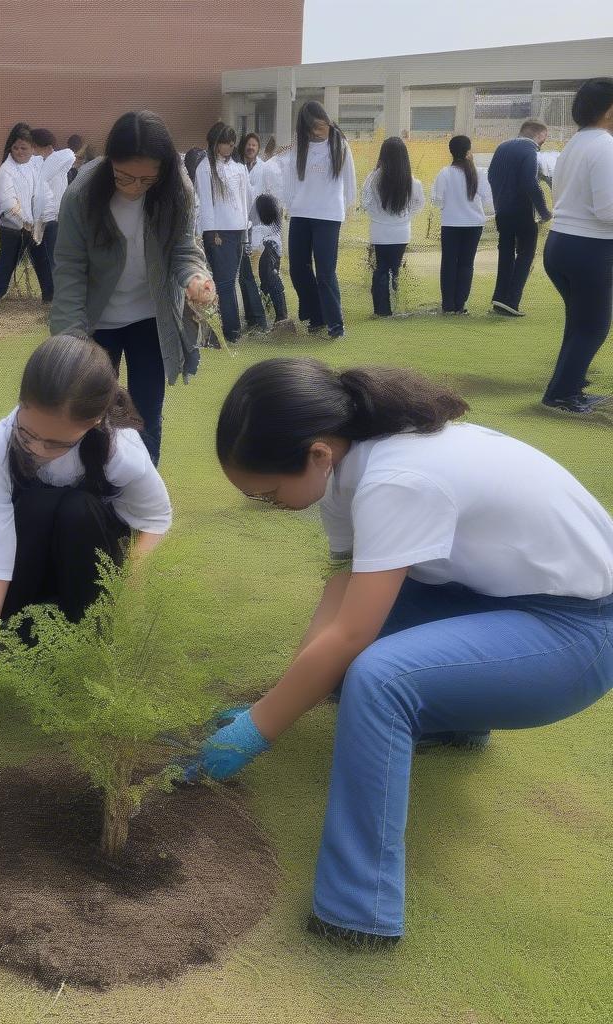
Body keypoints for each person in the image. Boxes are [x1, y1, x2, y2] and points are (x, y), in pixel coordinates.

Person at [181, 356, 613, 946]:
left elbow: (354, 636)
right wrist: (286, 695)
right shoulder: (344, 464)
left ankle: (359, 908)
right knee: (341, 660)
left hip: (579, 635)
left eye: (266, 494)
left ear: (314, 454)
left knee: (380, 677)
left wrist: (259, 729)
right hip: (500, 601)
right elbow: (342, 593)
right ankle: (455, 722)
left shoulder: (396, 479)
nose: (268, 506)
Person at [0, 335, 173, 743]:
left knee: (75, 508)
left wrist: (130, 590)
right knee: (34, 509)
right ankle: (18, 647)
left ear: (93, 423)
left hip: (79, 582)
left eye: (54, 443)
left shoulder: (120, 451)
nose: (34, 449)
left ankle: (82, 644)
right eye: (28, 432)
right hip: (19, 582)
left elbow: (156, 519)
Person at [50, 109, 215, 464]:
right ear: (110, 160)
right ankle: (95, 494)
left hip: (150, 320)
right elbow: (69, 269)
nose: (135, 187)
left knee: (145, 418)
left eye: (146, 180)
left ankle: (143, 505)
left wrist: (196, 279)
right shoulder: (82, 193)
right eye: (124, 177)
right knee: (90, 415)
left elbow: (184, 248)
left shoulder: (176, 189)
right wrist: (71, 339)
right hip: (94, 325)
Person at [540, 78, 613, 415]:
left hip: (562, 243)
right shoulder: (604, 146)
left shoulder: (575, 143)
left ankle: (566, 387)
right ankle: (562, 394)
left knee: (580, 322)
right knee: (594, 324)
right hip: (590, 248)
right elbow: (607, 210)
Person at [279, 101, 357, 339]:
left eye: (320, 126)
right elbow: (290, 183)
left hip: (328, 216)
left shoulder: (340, 145)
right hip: (301, 215)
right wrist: (290, 207)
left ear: (327, 120)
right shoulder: (298, 149)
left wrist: (344, 209)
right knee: (298, 269)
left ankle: (336, 324)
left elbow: (350, 182)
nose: (317, 131)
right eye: (311, 128)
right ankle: (316, 316)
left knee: (325, 272)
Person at [195, 121, 267, 342]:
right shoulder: (205, 167)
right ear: (215, 143)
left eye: (230, 142)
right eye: (224, 143)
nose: (228, 147)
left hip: (237, 229)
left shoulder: (238, 167)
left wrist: (246, 228)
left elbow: (247, 198)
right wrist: (211, 231)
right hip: (218, 232)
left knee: (233, 280)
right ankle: (230, 331)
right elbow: (205, 202)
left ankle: (234, 328)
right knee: (225, 282)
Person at [487, 118, 551, 317]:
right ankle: (512, 301)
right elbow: (529, 182)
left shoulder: (502, 147)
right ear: (539, 135)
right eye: (544, 138)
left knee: (505, 253)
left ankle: (499, 297)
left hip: (502, 211)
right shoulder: (529, 151)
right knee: (525, 253)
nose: (544, 142)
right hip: (523, 212)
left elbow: (491, 175)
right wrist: (544, 211)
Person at [361, 136, 425, 317]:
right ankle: (398, 306)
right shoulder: (413, 181)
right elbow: (419, 204)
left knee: (381, 268)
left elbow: (365, 202)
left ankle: (382, 310)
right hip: (402, 233)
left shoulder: (373, 178)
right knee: (396, 268)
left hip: (380, 232)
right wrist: (404, 218)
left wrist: (379, 217)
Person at [431, 136, 494, 315]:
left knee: (449, 263)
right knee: (467, 264)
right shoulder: (479, 172)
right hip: (474, 224)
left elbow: (437, 201)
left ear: (451, 151)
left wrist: (450, 206)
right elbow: (489, 200)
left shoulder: (444, 173)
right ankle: (460, 304)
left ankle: (448, 305)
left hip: (451, 224)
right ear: (468, 151)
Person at [0, 123, 52, 303]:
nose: (19, 151)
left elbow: (43, 192)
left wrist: (41, 218)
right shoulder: (5, 172)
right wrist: (25, 222)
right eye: (16, 147)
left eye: (24, 148)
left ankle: (50, 297)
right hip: (12, 227)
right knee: (7, 262)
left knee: (43, 261)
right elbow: (8, 202)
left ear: (32, 148)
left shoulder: (34, 166)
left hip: (33, 225)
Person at [30, 127, 75, 272]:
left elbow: (69, 155)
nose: (33, 150)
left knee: (55, 260)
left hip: (55, 219)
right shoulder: (39, 163)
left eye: (34, 146)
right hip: (44, 219)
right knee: (45, 260)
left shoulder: (58, 161)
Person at [253, 193, 289, 326]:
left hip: (267, 255)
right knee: (271, 283)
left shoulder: (260, 231)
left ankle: (281, 316)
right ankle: (280, 315)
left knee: (271, 282)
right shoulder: (275, 228)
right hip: (272, 252)